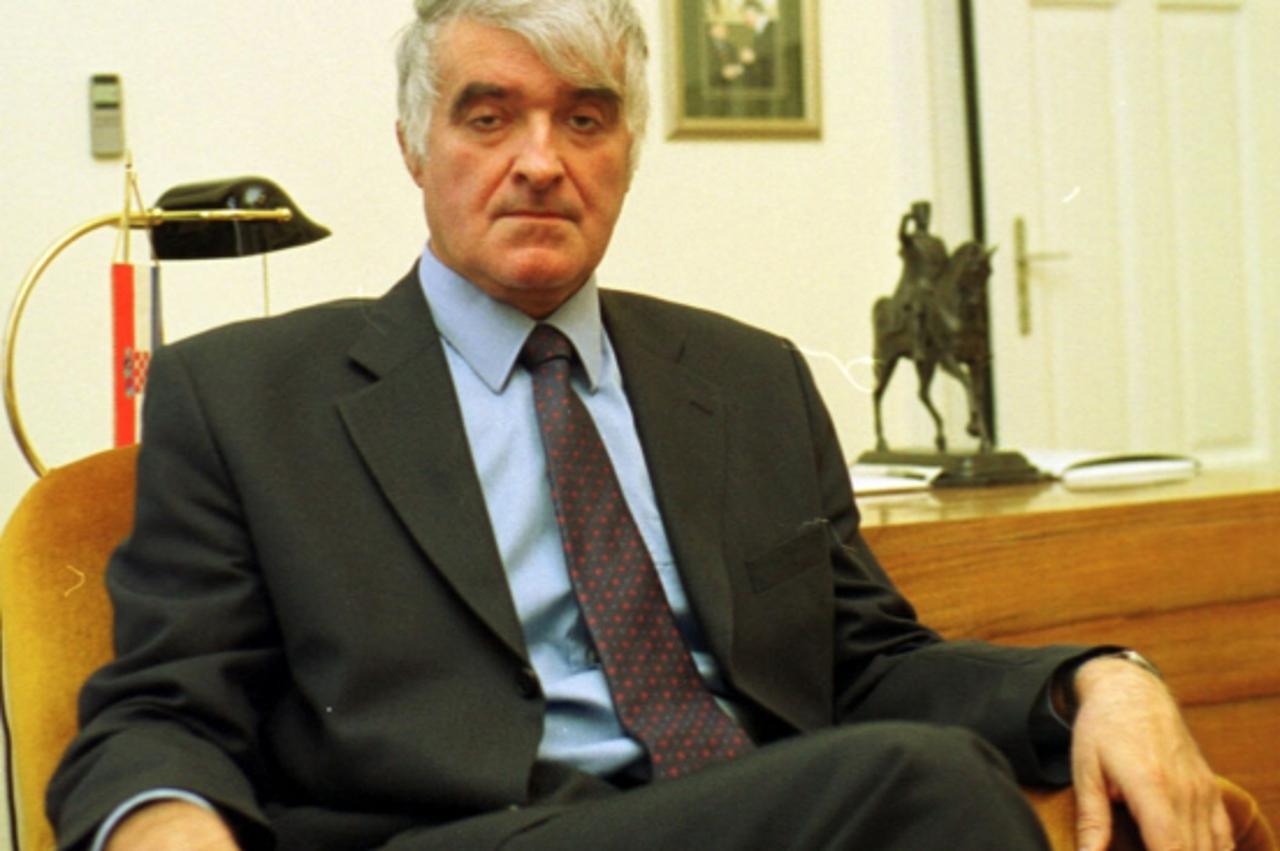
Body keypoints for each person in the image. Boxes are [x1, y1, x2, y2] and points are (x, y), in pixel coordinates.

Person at [48, 1, 1231, 849]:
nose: (539, 162)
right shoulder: (247, 397)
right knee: (924, 785)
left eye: (584, 118)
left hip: (751, 808)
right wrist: (163, 817)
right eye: (488, 116)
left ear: (627, 149)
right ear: (413, 145)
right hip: (464, 830)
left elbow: (864, 664)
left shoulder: (749, 379)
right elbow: (159, 707)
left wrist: (1098, 680)